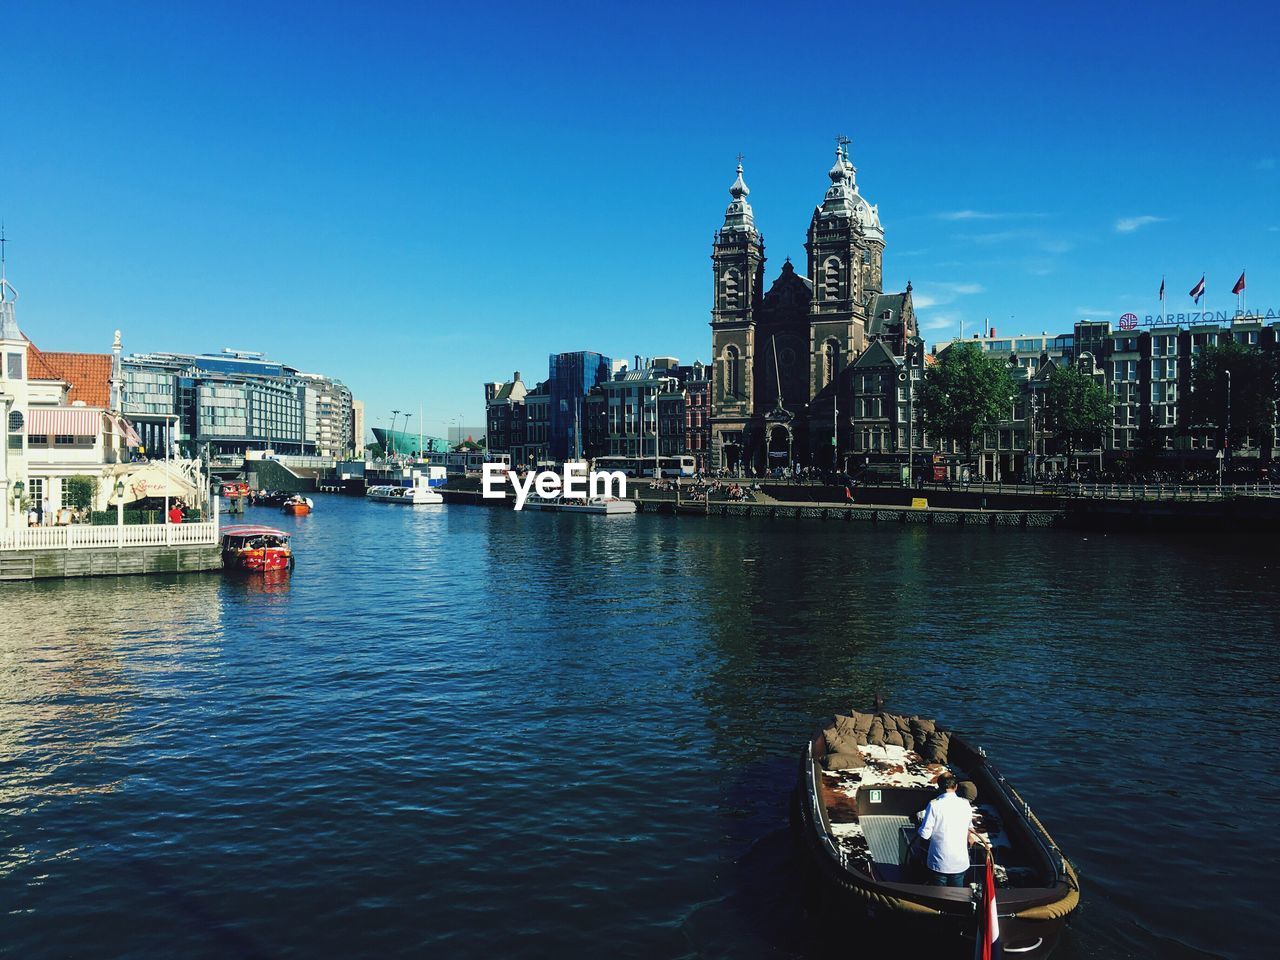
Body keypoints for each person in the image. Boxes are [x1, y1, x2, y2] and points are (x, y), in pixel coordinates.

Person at [916, 773, 982, 886]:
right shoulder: (965, 804)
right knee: (957, 895)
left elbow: (925, 834)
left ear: (939, 787)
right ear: (955, 787)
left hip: (939, 862)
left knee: (939, 897)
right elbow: (969, 828)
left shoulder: (934, 805)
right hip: (959, 862)